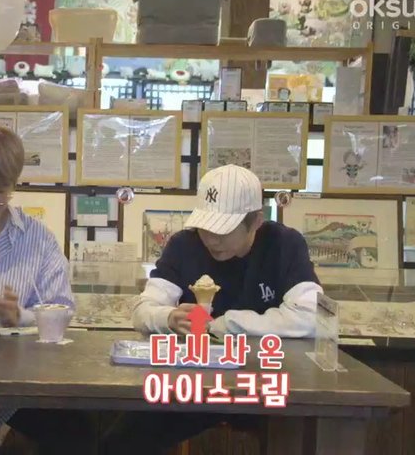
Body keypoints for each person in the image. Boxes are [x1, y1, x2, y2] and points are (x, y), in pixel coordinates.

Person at [102, 164, 322, 454]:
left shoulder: (283, 244)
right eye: (206, 227)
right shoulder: (185, 244)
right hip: (194, 383)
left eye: (223, 229)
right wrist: (168, 317)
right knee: (119, 442)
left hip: (267, 381)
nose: (212, 239)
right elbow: (143, 310)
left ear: (256, 221)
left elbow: (311, 316)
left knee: (304, 436)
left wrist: (227, 324)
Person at [0, 126, 93, 454]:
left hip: (17, 390)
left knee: (79, 435)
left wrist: (19, 317)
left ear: (14, 185)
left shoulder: (37, 240)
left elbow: (61, 311)